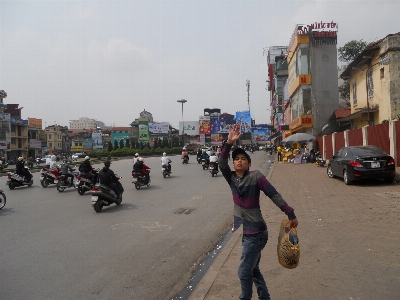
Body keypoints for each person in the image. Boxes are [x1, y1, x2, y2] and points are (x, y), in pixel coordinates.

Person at [218, 124, 298, 300]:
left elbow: (273, 195)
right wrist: (229, 143)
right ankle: (265, 297)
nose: (239, 160)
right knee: (253, 270)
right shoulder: (231, 178)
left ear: (249, 163)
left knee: (243, 272)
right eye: (236, 159)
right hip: (248, 233)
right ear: (233, 163)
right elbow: (221, 162)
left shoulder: (256, 177)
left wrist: (290, 213)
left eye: (243, 159)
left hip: (257, 234)